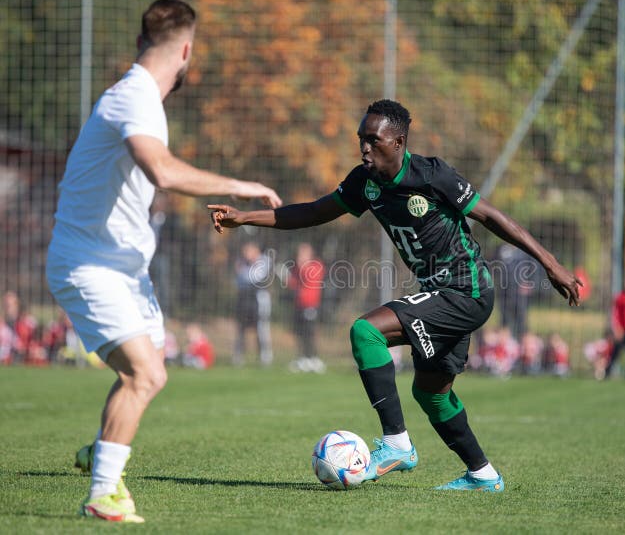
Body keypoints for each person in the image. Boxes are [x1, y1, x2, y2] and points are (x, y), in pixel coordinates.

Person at [209, 99, 582, 491]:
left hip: (466, 290)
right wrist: (245, 217)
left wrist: (550, 263)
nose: (365, 148)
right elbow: (314, 212)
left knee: (365, 332)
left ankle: (396, 445)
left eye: (374, 139)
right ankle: (483, 475)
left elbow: (490, 216)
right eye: (361, 140)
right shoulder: (364, 183)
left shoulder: (431, 175)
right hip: (440, 294)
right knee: (432, 395)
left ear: (399, 141)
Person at [45, 0, 281, 523]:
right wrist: (242, 186)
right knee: (145, 374)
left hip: (124, 269)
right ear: (187, 50)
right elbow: (163, 172)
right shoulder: (135, 98)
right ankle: (103, 492)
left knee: (149, 369)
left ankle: (99, 452)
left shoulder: (136, 95)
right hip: (90, 265)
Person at [233, 241, 273, 367]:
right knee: (241, 329)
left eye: (249, 251)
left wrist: (244, 271)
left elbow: (255, 278)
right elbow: (239, 281)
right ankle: (238, 357)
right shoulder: (242, 263)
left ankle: (265, 357)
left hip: (259, 299)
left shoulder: (264, 261)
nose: (246, 254)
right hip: (244, 299)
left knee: (261, 328)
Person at [287, 242, 326, 374]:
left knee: (309, 333)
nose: (300, 256)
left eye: (303, 253)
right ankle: (303, 358)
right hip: (299, 305)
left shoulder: (315, 265)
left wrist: (302, 266)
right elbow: (292, 284)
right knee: (300, 333)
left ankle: (314, 359)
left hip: (310, 305)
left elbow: (308, 278)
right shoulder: (297, 268)